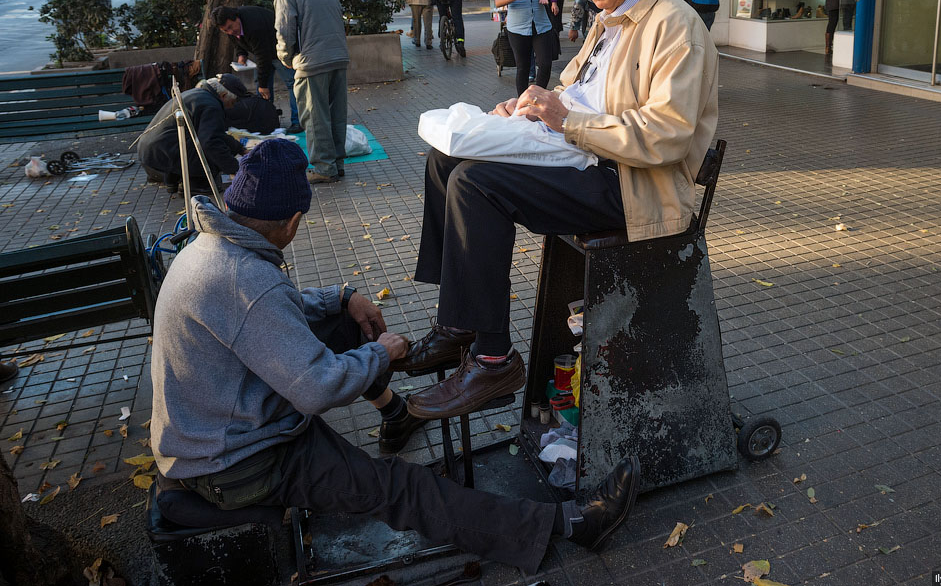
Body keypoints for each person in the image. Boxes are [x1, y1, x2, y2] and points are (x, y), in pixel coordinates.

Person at [151, 139, 642, 574]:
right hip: (239, 463)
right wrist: (378, 353)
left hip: (218, 429)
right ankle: (570, 523)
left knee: (344, 322)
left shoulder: (213, 248)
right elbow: (317, 387)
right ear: (294, 220)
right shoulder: (247, 282)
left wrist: (343, 298)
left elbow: (270, 317)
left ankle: (395, 413)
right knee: (399, 488)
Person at [398, 0, 718, 420]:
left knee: (477, 185)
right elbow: (572, 91)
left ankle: (493, 358)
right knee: (446, 161)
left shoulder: (675, 27)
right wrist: (528, 108)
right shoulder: (610, 19)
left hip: (634, 186)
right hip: (584, 160)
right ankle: (459, 326)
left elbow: (667, 136)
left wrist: (565, 120)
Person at [270, 0, 349, 184]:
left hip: (311, 62)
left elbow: (284, 30)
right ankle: (338, 164)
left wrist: (285, 58)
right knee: (336, 115)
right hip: (339, 57)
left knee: (315, 117)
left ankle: (324, 168)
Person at [136, 75, 246, 193]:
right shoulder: (212, 106)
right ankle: (197, 185)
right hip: (159, 156)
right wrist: (236, 169)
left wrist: (241, 149)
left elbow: (216, 134)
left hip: (151, 152)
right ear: (223, 96)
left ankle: (173, 180)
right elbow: (211, 142)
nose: (232, 107)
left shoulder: (199, 94)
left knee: (198, 141)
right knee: (211, 151)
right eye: (233, 102)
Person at [210, 5, 302, 134]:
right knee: (261, 86)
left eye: (230, 27)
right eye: (225, 30)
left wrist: (263, 85)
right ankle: (266, 121)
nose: (230, 32)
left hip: (278, 50)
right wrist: (242, 55)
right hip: (264, 52)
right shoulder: (231, 27)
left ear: (236, 18)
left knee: (292, 84)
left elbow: (262, 56)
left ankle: (297, 121)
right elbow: (237, 41)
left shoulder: (253, 24)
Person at [494, 0, 559, 98]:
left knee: (545, 64)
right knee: (522, 67)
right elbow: (498, 1)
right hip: (517, 28)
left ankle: (538, 96)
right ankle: (523, 101)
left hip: (541, 25)